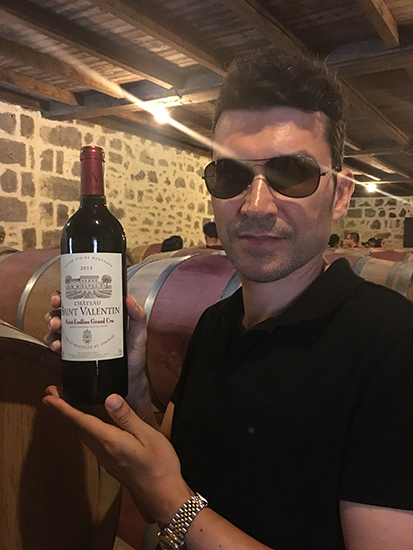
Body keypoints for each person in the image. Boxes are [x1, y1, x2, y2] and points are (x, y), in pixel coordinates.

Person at [43, 49, 413, 550]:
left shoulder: (393, 348)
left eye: (292, 173)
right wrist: (133, 386)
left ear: (341, 195)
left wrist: (174, 506)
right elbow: (171, 465)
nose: (256, 204)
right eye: (231, 176)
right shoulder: (216, 322)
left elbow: (170, 495)